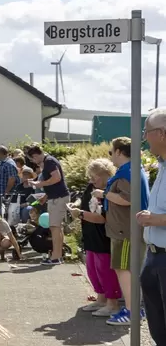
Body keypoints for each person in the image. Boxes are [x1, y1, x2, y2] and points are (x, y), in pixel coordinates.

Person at [94, 137, 149, 325]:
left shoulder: (127, 172)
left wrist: (105, 194)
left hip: (125, 231)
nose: (111, 157)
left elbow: (128, 199)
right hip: (124, 230)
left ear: (119, 151)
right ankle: (133, 309)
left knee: (124, 269)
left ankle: (133, 311)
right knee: (124, 268)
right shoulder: (131, 170)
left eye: (111, 152)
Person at [137, 107, 166, 346]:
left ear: (163, 133)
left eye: (148, 130)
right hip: (154, 260)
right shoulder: (159, 167)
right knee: (160, 340)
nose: (145, 137)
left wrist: (153, 219)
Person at [68, 158, 121, 318]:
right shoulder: (91, 187)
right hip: (90, 235)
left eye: (94, 176)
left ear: (105, 174)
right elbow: (83, 200)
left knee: (105, 270)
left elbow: (102, 218)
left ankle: (113, 303)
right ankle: (101, 298)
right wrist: (76, 205)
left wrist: (80, 214)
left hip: (104, 236)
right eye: (90, 176)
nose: (91, 180)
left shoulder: (110, 191)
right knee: (92, 269)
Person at [26, 145, 70, 266]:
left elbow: (56, 178)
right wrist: (45, 196)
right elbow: (55, 181)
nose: (33, 162)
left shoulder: (49, 161)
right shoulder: (49, 161)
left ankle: (55, 257)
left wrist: (40, 184)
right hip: (56, 197)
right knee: (56, 228)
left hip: (58, 198)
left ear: (35, 156)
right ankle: (57, 255)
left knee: (54, 227)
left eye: (32, 159)